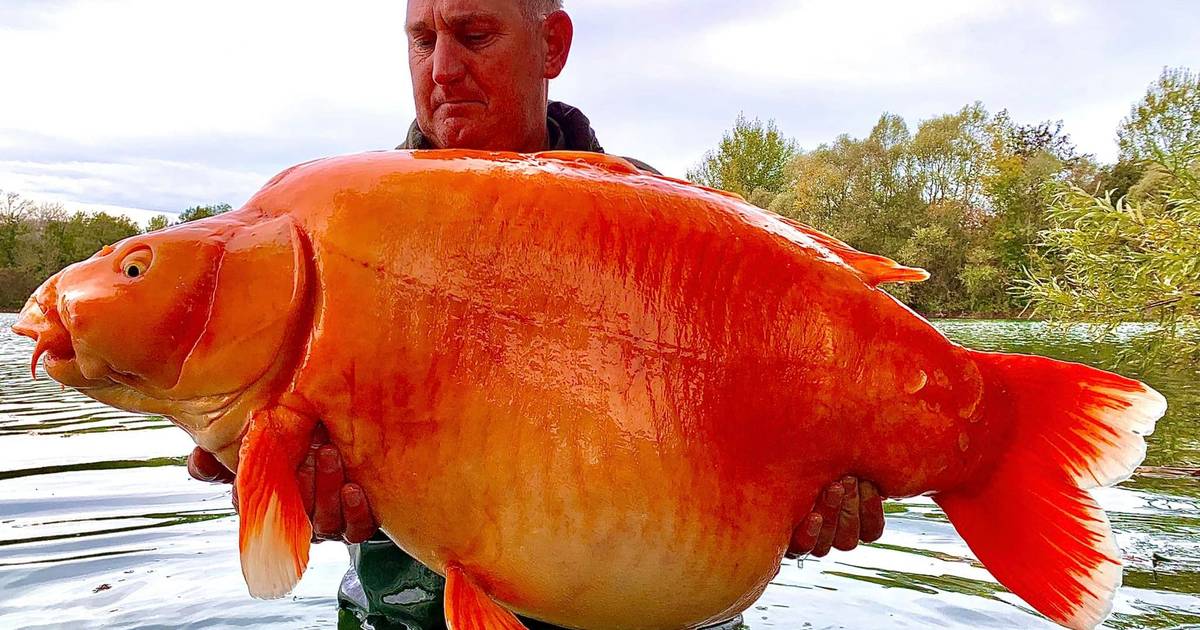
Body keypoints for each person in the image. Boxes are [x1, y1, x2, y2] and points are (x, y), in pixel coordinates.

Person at [187, 1, 887, 628]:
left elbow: (749, 467)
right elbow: (279, 497)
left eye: (474, 34)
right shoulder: (333, 232)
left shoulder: (674, 229)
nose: (445, 68)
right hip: (403, 618)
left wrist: (801, 517)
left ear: (552, 44)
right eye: (422, 39)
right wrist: (287, 489)